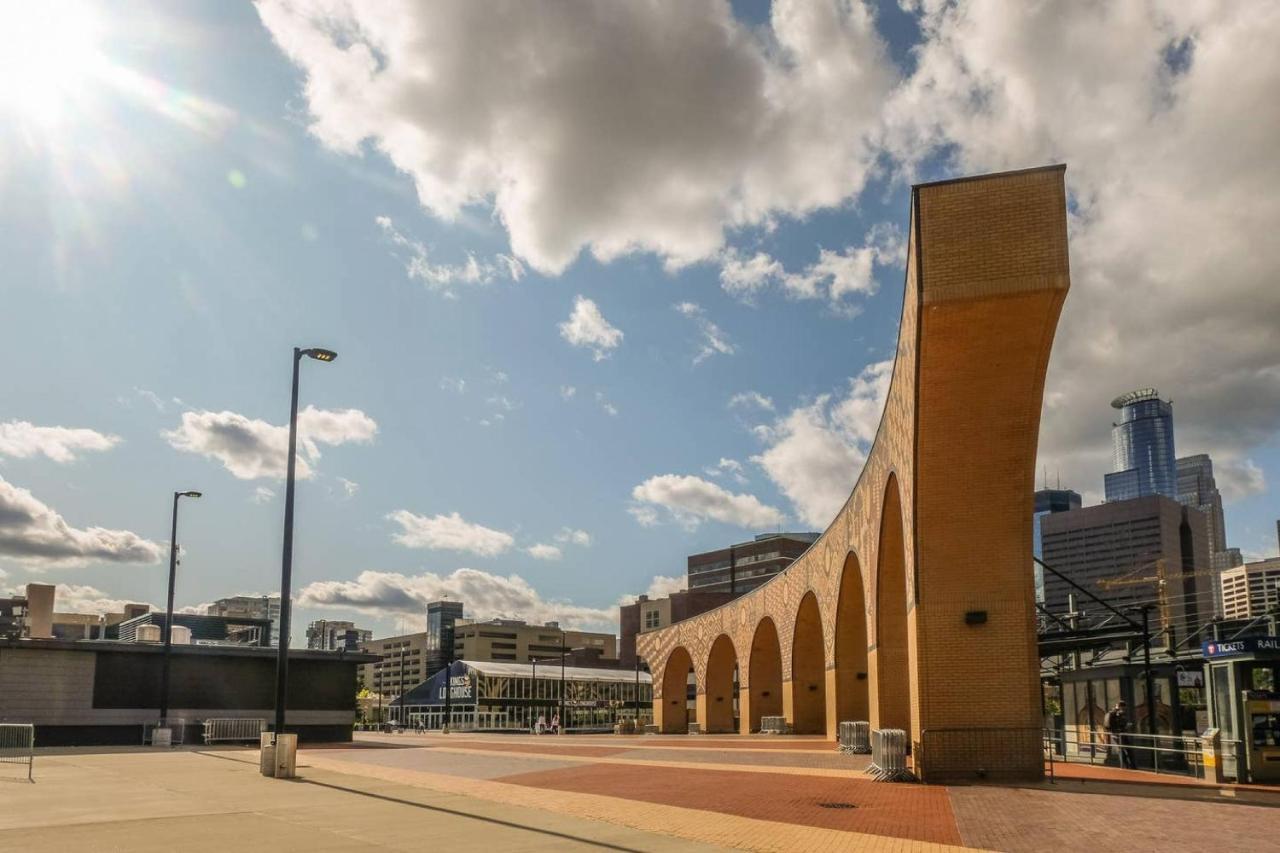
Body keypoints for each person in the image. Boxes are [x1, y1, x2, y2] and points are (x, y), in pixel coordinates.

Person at [1104, 700, 1136, 769]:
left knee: (1125, 749)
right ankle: (1126, 766)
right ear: (1120, 706)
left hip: (1118, 733)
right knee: (1123, 749)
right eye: (1123, 708)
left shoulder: (1114, 713)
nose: (1124, 710)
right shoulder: (1114, 713)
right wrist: (1124, 726)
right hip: (1118, 734)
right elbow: (1113, 724)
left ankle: (1128, 765)